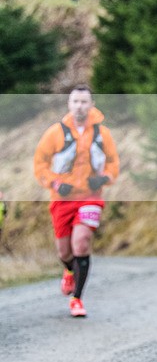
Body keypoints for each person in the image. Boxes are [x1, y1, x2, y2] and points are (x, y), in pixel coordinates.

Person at [34, 85, 119, 317]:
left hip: (91, 198)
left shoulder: (103, 134)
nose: (80, 106)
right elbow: (40, 164)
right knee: (64, 251)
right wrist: (54, 183)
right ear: (69, 105)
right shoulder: (55, 133)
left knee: (81, 243)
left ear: (91, 104)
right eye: (76, 102)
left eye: (84, 102)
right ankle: (69, 271)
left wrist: (103, 178)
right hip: (62, 199)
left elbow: (113, 164)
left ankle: (77, 299)